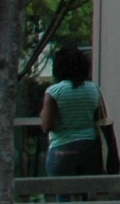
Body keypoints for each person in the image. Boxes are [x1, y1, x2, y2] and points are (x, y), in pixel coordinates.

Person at [38, 45, 111, 177]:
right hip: (90, 147)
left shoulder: (54, 91)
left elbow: (47, 125)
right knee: (88, 191)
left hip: (62, 147)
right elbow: (101, 118)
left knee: (62, 193)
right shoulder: (93, 89)